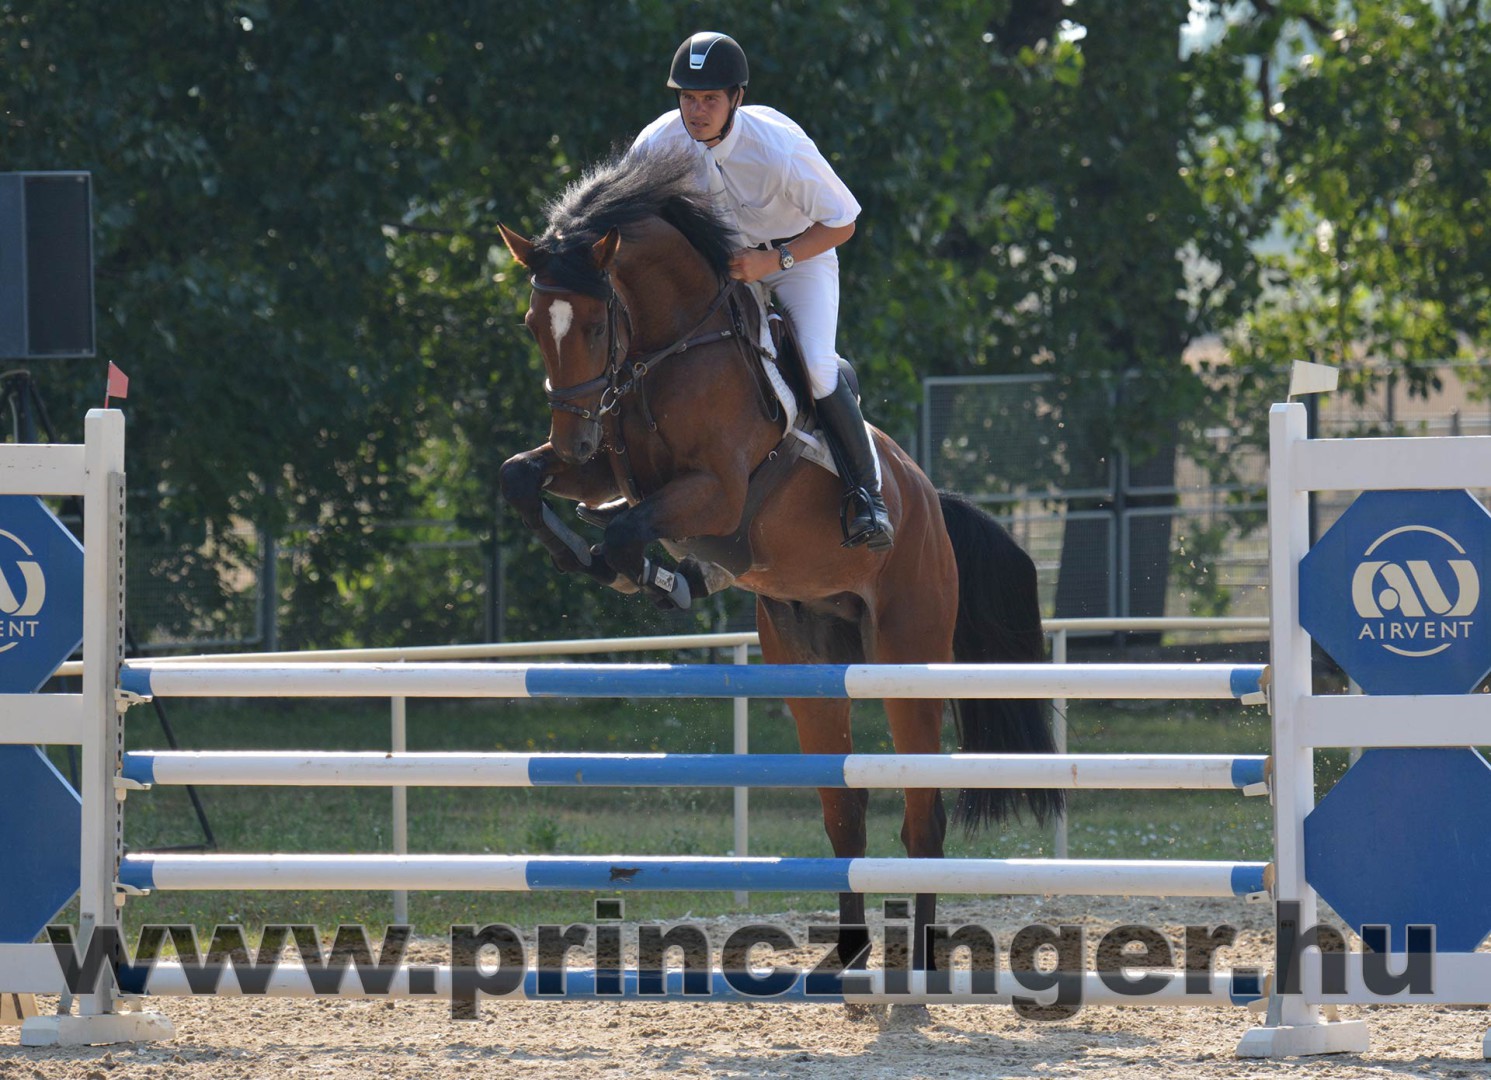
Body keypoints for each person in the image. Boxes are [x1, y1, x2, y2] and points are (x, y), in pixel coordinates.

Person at [630, 31, 893, 551]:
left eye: (710, 99)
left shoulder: (778, 148)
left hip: (798, 257)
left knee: (815, 367)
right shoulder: (657, 143)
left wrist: (774, 261)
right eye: (688, 98)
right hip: (723, 266)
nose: (697, 111)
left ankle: (867, 495)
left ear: (737, 98)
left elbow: (842, 223)